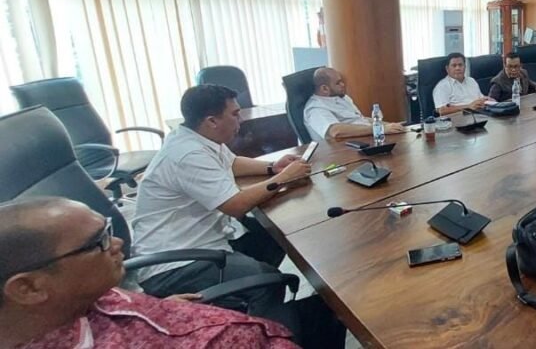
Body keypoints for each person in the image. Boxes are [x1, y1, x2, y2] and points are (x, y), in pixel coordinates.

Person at [0, 197, 305, 348]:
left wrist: (156, 310)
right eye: (98, 242)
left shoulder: (74, 301)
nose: (118, 243)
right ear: (29, 288)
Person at [132, 85, 313, 316]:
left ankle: (239, 302)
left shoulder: (193, 137)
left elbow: (231, 162)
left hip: (199, 244)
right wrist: (283, 178)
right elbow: (235, 205)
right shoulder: (189, 154)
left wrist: (272, 167)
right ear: (212, 121)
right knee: (266, 282)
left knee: (273, 235)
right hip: (175, 264)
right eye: (235, 114)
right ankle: (254, 326)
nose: (240, 120)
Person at [304, 67, 406, 140]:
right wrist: (379, 129)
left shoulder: (342, 97)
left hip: (367, 138)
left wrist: (390, 126)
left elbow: (361, 119)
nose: (343, 85)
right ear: (324, 88)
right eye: (338, 83)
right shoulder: (315, 108)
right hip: (345, 149)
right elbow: (336, 131)